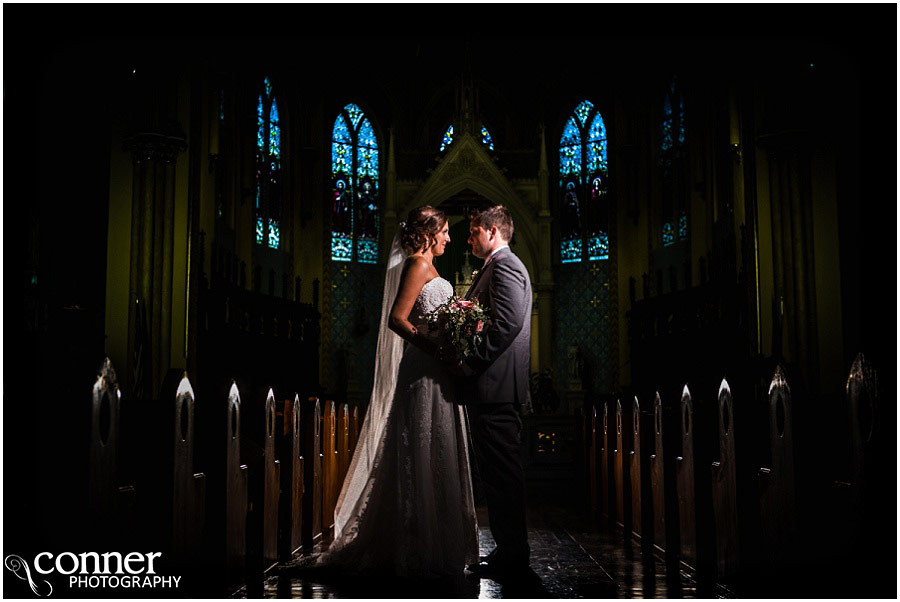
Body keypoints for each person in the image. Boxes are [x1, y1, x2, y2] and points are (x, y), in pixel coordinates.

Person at [300, 205, 478, 578]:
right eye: (444, 231)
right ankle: (413, 542)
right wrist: (434, 346)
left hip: (437, 370)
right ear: (429, 234)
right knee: (419, 448)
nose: (449, 237)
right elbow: (397, 318)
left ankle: (440, 540)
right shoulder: (416, 264)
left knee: (437, 448)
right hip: (422, 368)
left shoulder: (430, 266)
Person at [450, 204, 533, 578]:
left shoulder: (505, 265)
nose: (469, 238)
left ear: (492, 232)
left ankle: (513, 553)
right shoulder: (494, 266)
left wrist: (471, 362)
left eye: (473, 232)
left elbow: (508, 323)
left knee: (503, 475)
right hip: (493, 388)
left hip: (497, 387)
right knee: (498, 475)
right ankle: (508, 549)